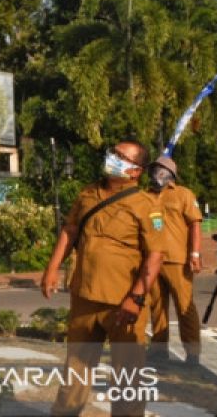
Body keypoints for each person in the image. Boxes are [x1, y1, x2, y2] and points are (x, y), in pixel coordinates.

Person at [41, 140, 166, 416]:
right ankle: (65, 412)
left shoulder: (147, 204)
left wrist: (136, 298)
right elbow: (70, 232)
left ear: (136, 171)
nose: (112, 158)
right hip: (85, 296)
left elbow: (154, 257)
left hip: (123, 302)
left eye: (121, 156)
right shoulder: (87, 194)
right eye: (113, 153)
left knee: (127, 372)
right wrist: (52, 268)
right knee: (76, 365)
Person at [143, 155, 202, 365]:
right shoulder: (144, 196)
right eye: (154, 168)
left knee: (185, 307)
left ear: (170, 174)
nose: (156, 172)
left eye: (160, 169)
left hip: (177, 259)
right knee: (157, 307)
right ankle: (159, 351)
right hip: (151, 260)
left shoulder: (183, 194)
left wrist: (195, 253)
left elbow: (195, 224)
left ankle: (193, 353)